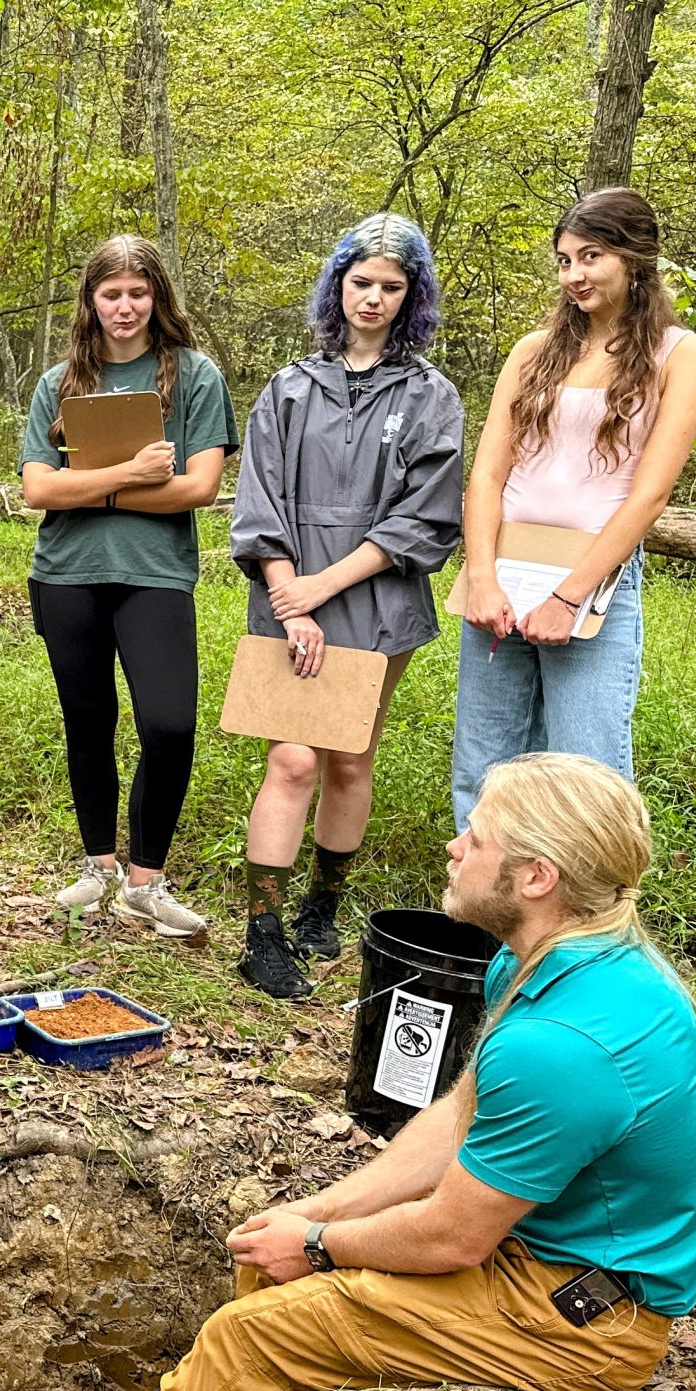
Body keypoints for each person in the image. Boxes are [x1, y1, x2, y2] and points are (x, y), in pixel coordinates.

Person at [0, 753, 696, 1391]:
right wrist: (321, 1215)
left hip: (578, 1320)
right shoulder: (545, 958)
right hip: (543, 1257)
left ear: (536, 877)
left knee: (251, 1334)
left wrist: (318, 1247)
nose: (454, 844)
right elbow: (457, 1116)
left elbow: (452, 1237)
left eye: (475, 836)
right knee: (275, 1261)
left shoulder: (564, 1049)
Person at [231, 215, 465, 998]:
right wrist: (288, 598)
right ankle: (262, 932)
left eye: (391, 287)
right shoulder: (290, 387)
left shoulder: (431, 396)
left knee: (350, 755)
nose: (373, 298)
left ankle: (321, 908)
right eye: (361, 282)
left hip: (377, 599)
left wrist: (322, 590)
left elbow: (424, 518)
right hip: (285, 591)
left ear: (412, 297)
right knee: (292, 757)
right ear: (338, 286)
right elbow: (260, 496)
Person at [451, 189, 696, 824]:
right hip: (503, 573)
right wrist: (482, 577)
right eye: (564, 260)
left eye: (590, 257)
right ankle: (484, 915)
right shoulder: (532, 351)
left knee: (585, 768)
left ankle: (589, 920)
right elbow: (487, 472)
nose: (573, 275)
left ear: (635, 258)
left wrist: (571, 596)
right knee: (485, 763)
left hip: (595, 581)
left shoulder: (683, 355)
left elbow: (650, 492)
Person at [20, 234, 237, 937]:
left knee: (168, 724)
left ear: (157, 298)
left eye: (137, 293)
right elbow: (35, 488)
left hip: (155, 575)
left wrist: (84, 491)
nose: (124, 306)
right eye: (110, 294)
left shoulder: (195, 376)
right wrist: (129, 478)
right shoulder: (59, 384)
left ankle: (148, 881)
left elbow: (199, 489)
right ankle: (100, 868)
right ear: (90, 301)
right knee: (88, 722)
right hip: (67, 574)